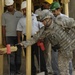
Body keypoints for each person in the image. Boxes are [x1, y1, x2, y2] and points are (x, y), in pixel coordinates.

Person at [18, 9, 75, 75]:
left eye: (43, 21)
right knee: (63, 69)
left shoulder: (60, 20)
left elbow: (73, 23)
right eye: (42, 21)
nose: (43, 23)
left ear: (48, 18)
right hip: (63, 50)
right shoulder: (44, 30)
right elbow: (34, 39)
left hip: (73, 42)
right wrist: (23, 44)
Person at [16, 1, 47, 75]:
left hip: (36, 38)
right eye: (22, 10)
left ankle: (43, 71)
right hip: (26, 39)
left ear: (29, 9)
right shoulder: (21, 20)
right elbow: (19, 31)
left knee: (40, 56)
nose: (24, 11)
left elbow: (42, 27)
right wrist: (19, 41)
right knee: (29, 58)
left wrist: (41, 36)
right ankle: (32, 72)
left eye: (25, 9)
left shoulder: (36, 17)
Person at [50, 2, 73, 75]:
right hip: (55, 43)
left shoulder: (65, 18)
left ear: (59, 9)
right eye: (52, 11)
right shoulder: (51, 19)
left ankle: (69, 73)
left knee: (67, 61)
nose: (53, 13)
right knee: (55, 59)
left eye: (54, 11)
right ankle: (56, 73)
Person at [2, 0, 23, 75]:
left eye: (10, 6)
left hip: (18, 37)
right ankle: (12, 72)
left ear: (13, 5)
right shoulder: (4, 15)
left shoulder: (20, 14)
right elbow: (3, 27)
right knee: (11, 55)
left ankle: (18, 71)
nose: (9, 7)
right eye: (8, 6)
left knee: (18, 55)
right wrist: (4, 39)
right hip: (9, 37)